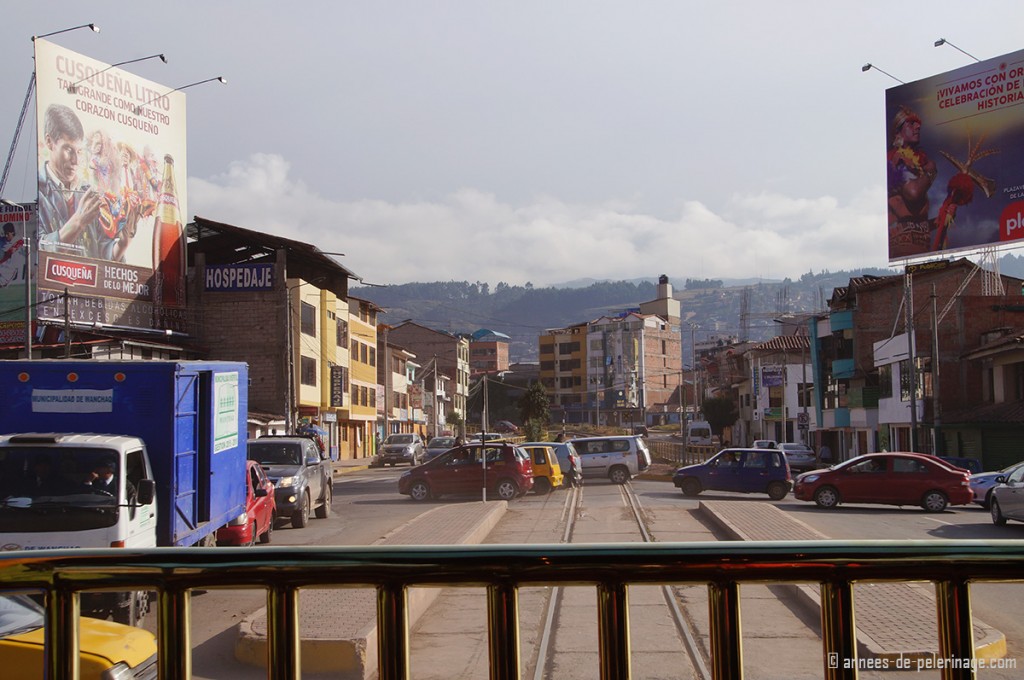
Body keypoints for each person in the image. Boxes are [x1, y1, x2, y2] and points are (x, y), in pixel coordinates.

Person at [36, 104, 137, 262]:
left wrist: (123, 244)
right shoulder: (38, 192)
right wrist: (78, 222)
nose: (75, 161)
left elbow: (105, 254)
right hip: (51, 286)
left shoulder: (88, 193)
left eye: (79, 151)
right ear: (49, 142)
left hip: (87, 285)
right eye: (68, 149)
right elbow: (36, 255)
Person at [887, 105, 937, 258]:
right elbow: (913, 192)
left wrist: (939, 221)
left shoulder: (915, 163)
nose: (917, 127)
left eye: (918, 124)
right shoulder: (896, 160)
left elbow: (914, 220)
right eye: (911, 123)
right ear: (898, 132)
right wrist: (930, 170)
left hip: (921, 250)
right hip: (903, 250)